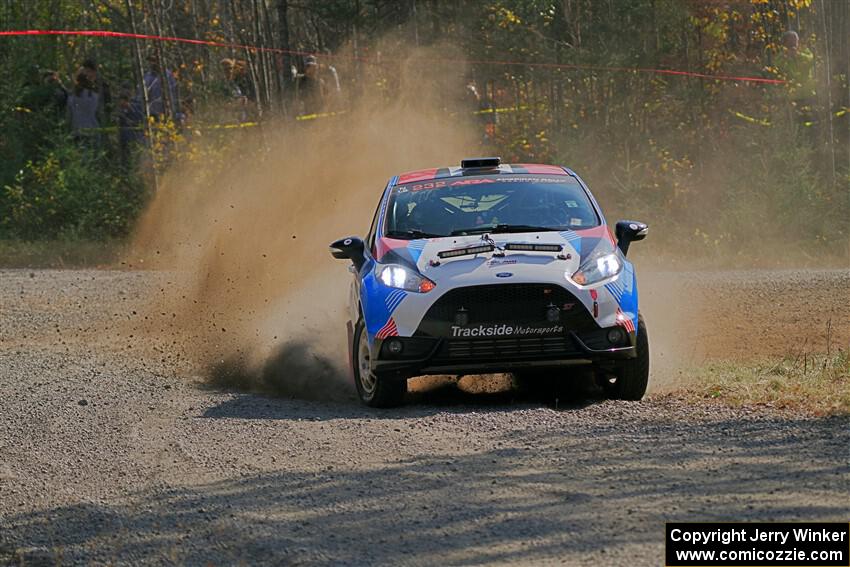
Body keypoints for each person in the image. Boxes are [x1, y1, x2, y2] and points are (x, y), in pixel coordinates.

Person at [66, 68, 103, 148]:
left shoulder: (72, 97)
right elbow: (99, 114)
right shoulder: (94, 96)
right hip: (93, 130)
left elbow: (69, 116)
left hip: (77, 131)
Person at [137, 53, 180, 120]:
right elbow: (141, 94)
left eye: (154, 60)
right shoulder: (147, 77)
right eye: (150, 61)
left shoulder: (168, 76)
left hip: (168, 110)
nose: (152, 63)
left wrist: (175, 108)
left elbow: (175, 93)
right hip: (152, 112)